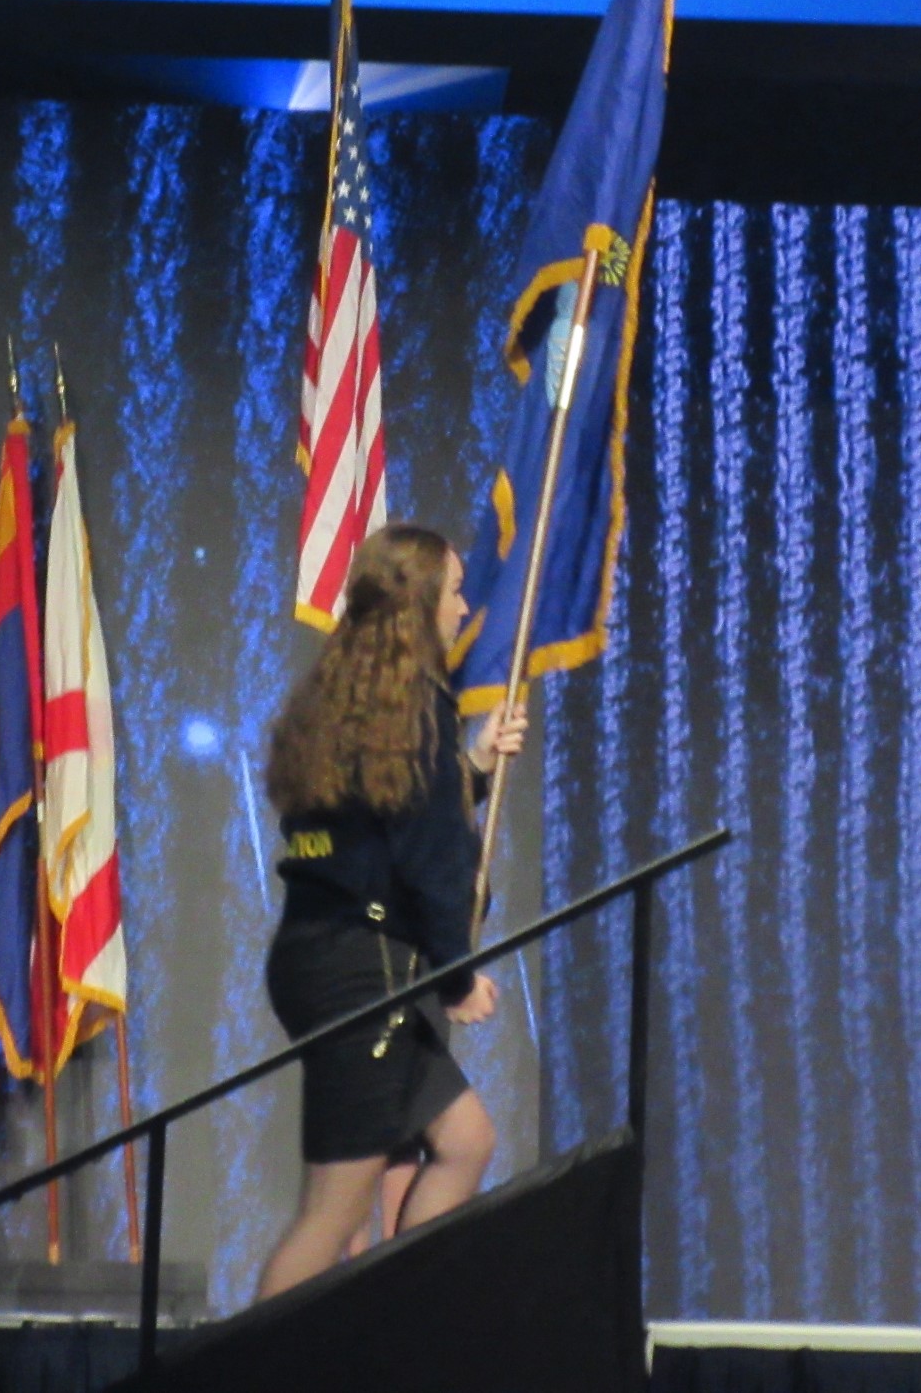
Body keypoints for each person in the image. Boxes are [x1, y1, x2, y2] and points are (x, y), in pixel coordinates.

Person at [255, 525, 526, 1300]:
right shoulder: (416, 709)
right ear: (419, 606)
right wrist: (456, 975)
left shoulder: (352, 700)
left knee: (465, 1141)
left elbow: (381, 822)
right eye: (454, 591)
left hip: (323, 957)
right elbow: (431, 858)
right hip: (363, 973)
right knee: (331, 1216)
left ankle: (391, 1325)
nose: (465, 606)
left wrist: (467, 768)